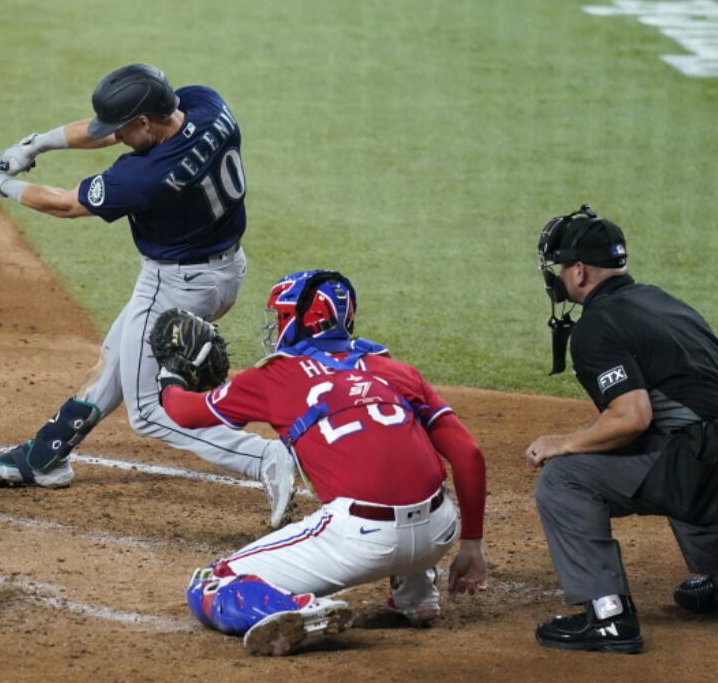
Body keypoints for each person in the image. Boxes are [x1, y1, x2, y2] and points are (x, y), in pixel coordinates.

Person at [0, 63, 296, 527]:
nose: (114, 137)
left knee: (148, 412)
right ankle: (45, 455)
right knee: (117, 357)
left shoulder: (147, 177)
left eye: (123, 129)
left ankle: (262, 458)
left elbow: (66, 204)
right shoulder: (208, 105)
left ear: (145, 122)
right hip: (221, 272)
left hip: (175, 284)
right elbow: (113, 134)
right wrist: (35, 144)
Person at [156, 270, 488, 655]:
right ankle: (417, 591)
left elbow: (185, 413)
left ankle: (304, 612)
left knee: (212, 583)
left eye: (280, 317)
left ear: (298, 321)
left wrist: (170, 376)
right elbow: (469, 454)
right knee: (404, 469)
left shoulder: (275, 376)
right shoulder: (396, 371)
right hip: (439, 534)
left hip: (361, 540)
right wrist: (472, 547)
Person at [527, 205, 718, 654]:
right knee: (675, 458)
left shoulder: (597, 326)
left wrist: (563, 444)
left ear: (580, 272)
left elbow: (631, 417)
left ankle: (607, 616)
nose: (556, 277)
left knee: (564, 479)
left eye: (559, 267)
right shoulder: (659, 300)